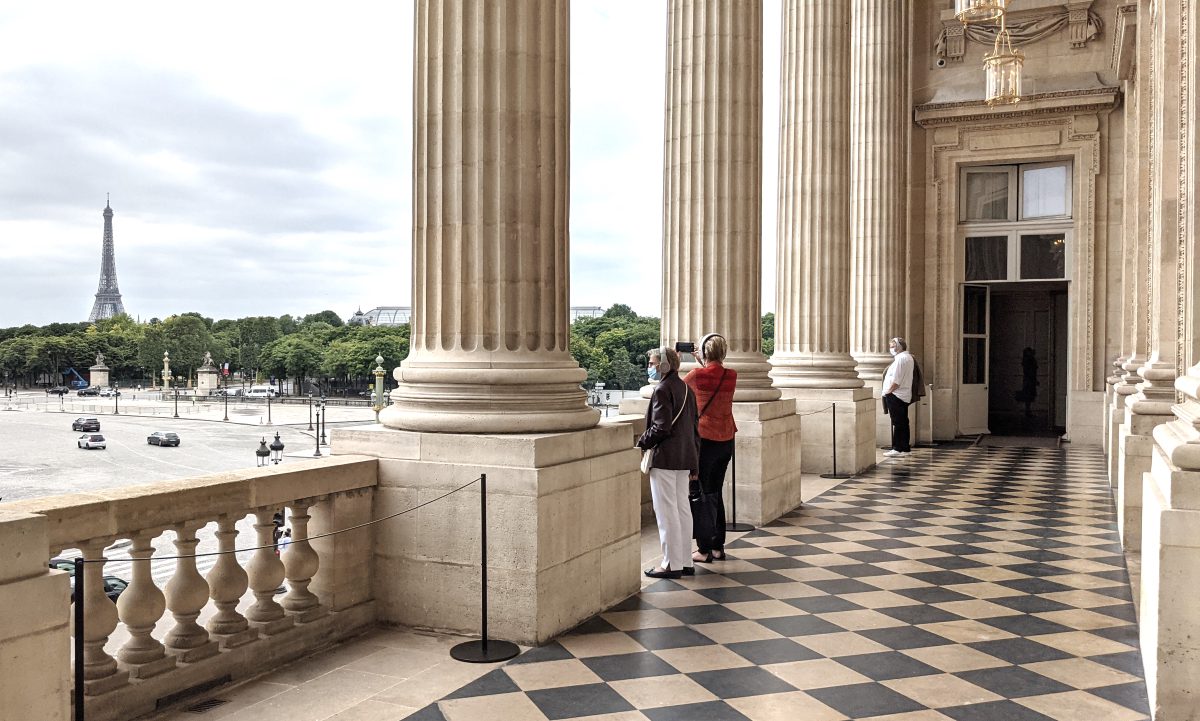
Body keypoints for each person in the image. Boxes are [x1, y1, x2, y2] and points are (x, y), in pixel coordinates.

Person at [636, 346, 700, 579]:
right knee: (682, 509)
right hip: (684, 457)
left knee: (666, 512)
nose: (650, 367)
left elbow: (661, 427)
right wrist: (695, 462)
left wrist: (642, 442)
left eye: (652, 363)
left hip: (665, 457)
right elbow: (694, 429)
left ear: (664, 364)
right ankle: (684, 561)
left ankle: (670, 564)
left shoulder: (662, 389)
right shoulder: (685, 388)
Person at [683, 333, 737, 563]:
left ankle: (703, 550)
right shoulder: (731, 375)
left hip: (705, 440)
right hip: (726, 440)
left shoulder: (696, 375)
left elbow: (677, 388)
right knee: (715, 492)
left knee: (700, 494)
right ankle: (718, 546)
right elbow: (714, 376)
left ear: (705, 352)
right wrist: (704, 360)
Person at [882, 336, 915, 457]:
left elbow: (897, 379)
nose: (890, 349)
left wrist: (888, 392)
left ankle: (897, 448)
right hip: (902, 394)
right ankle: (905, 448)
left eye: (892, 347)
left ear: (899, 347)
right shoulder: (908, 357)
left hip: (896, 394)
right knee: (903, 422)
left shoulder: (901, 359)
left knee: (898, 422)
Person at [1020, 347, 1039, 417]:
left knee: (1029, 395)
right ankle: (1027, 411)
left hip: (1028, 380)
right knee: (1029, 395)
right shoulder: (1029, 360)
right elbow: (1030, 371)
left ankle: (1028, 411)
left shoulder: (1028, 360)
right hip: (1029, 380)